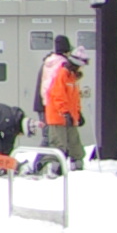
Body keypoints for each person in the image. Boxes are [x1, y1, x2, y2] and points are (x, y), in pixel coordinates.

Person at [37, 41, 88, 169]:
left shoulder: (72, 77)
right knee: (58, 144)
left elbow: (74, 99)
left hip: (69, 116)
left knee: (74, 144)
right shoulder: (62, 74)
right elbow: (58, 95)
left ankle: (76, 164)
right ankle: (52, 168)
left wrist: (77, 113)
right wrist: (65, 112)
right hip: (58, 116)